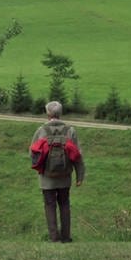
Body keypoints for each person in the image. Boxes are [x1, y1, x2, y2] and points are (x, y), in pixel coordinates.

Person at [29, 101, 86, 243]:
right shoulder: (70, 131)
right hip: (65, 176)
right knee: (64, 204)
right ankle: (66, 237)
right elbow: (77, 155)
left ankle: (54, 238)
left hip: (46, 177)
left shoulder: (41, 130)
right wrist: (80, 175)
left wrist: (40, 167)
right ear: (60, 113)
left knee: (49, 205)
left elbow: (32, 152)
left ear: (48, 114)